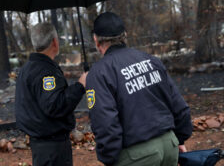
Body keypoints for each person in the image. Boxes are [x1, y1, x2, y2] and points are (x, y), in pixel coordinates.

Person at [85, 12, 192, 166]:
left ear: (96, 40)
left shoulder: (99, 73)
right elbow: (179, 106)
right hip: (169, 145)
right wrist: (178, 139)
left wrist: (108, 157)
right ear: (125, 35)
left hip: (136, 156)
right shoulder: (150, 60)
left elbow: (105, 123)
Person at [15, 22, 88, 166]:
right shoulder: (45, 72)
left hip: (41, 145)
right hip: (52, 148)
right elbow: (55, 105)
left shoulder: (28, 69)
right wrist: (80, 86)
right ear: (55, 41)